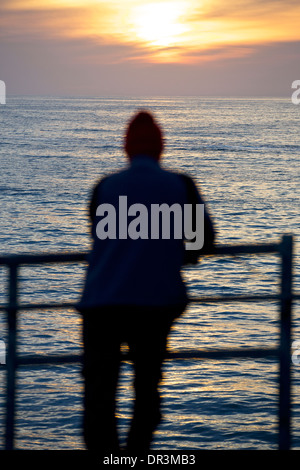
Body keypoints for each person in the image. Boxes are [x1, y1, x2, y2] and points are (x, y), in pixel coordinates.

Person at [77, 111, 215, 454]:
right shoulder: (180, 185)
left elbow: (100, 234)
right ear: (161, 148)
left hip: (102, 303)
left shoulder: (104, 187)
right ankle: (137, 455)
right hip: (154, 303)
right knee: (146, 392)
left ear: (126, 148)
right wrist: (174, 252)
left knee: (99, 397)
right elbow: (204, 241)